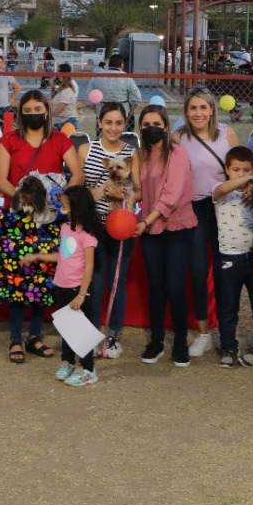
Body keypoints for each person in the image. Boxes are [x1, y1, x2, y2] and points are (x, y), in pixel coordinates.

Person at [0, 90, 83, 364]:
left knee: (43, 278)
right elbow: (1, 181)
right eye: (28, 109)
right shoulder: (8, 141)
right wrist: (24, 202)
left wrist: (59, 201)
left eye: (38, 108)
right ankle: (14, 338)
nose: (33, 113)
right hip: (19, 220)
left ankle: (35, 336)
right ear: (21, 113)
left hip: (48, 222)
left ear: (47, 111)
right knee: (17, 276)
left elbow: (77, 173)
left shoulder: (60, 140)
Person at [173, 88, 240, 358]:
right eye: (193, 108)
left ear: (212, 109)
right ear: (186, 112)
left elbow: (242, 167)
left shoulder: (227, 133)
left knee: (226, 274)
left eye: (203, 107)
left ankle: (227, 337)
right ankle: (203, 335)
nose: (198, 113)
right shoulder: (179, 138)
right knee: (199, 273)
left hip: (226, 208)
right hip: (195, 209)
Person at [133, 104, 197, 368]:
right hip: (150, 230)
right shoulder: (140, 156)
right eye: (146, 124)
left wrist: (144, 221)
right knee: (156, 288)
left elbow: (171, 196)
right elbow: (138, 192)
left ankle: (180, 342)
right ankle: (156, 340)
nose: (151, 129)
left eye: (156, 124)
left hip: (178, 227)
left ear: (166, 126)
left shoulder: (177, 154)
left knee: (174, 287)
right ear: (139, 128)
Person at [23, 186, 100, 386]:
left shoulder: (88, 236)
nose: (61, 206)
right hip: (62, 286)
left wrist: (81, 294)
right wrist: (38, 256)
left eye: (65, 203)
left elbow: (89, 267)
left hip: (77, 289)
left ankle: (88, 369)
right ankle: (67, 362)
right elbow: (63, 255)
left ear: (76, 206)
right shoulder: (66, 228)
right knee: (67, 329)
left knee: (81, 332)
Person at [80, 103, 138, 358]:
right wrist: (103, 190)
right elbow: (79, 192)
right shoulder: (87, 149)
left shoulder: (132, 153)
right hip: (94, 224)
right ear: (100, 122)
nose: (113, 127)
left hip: (121, 224)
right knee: (96, 280)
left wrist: (125, 194)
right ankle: (92, 334)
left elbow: (139, 190)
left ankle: (113, 335)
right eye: (108, 122)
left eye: (118, 123)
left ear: (124, 125)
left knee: (118, 282)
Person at [211, 146, 253, 368]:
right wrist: (247, 179)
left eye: (246, 170)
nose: (241, 174)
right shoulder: (221, 192)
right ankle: (229, 347)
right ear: (227, 169)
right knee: (228, 306)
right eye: (236, 170)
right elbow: (219, 190)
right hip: (229, 258)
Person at [88, 53, 142, 120]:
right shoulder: (126, 77)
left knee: (102, 129)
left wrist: (94, 108)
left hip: (102, 112)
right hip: (122, 112)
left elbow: (89, 95)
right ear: (122, 65)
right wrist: (131, 110)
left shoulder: (97, 77)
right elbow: (137, 97)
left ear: (109, 65)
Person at [50, 64, 80, 130]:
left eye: (58, 72)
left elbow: (60, 107)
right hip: (60, 121)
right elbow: (55, 98)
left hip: (67, 121)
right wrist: (52, 86)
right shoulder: (61, 88)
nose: (56, 74)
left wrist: (48, 115)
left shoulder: (67, 89)